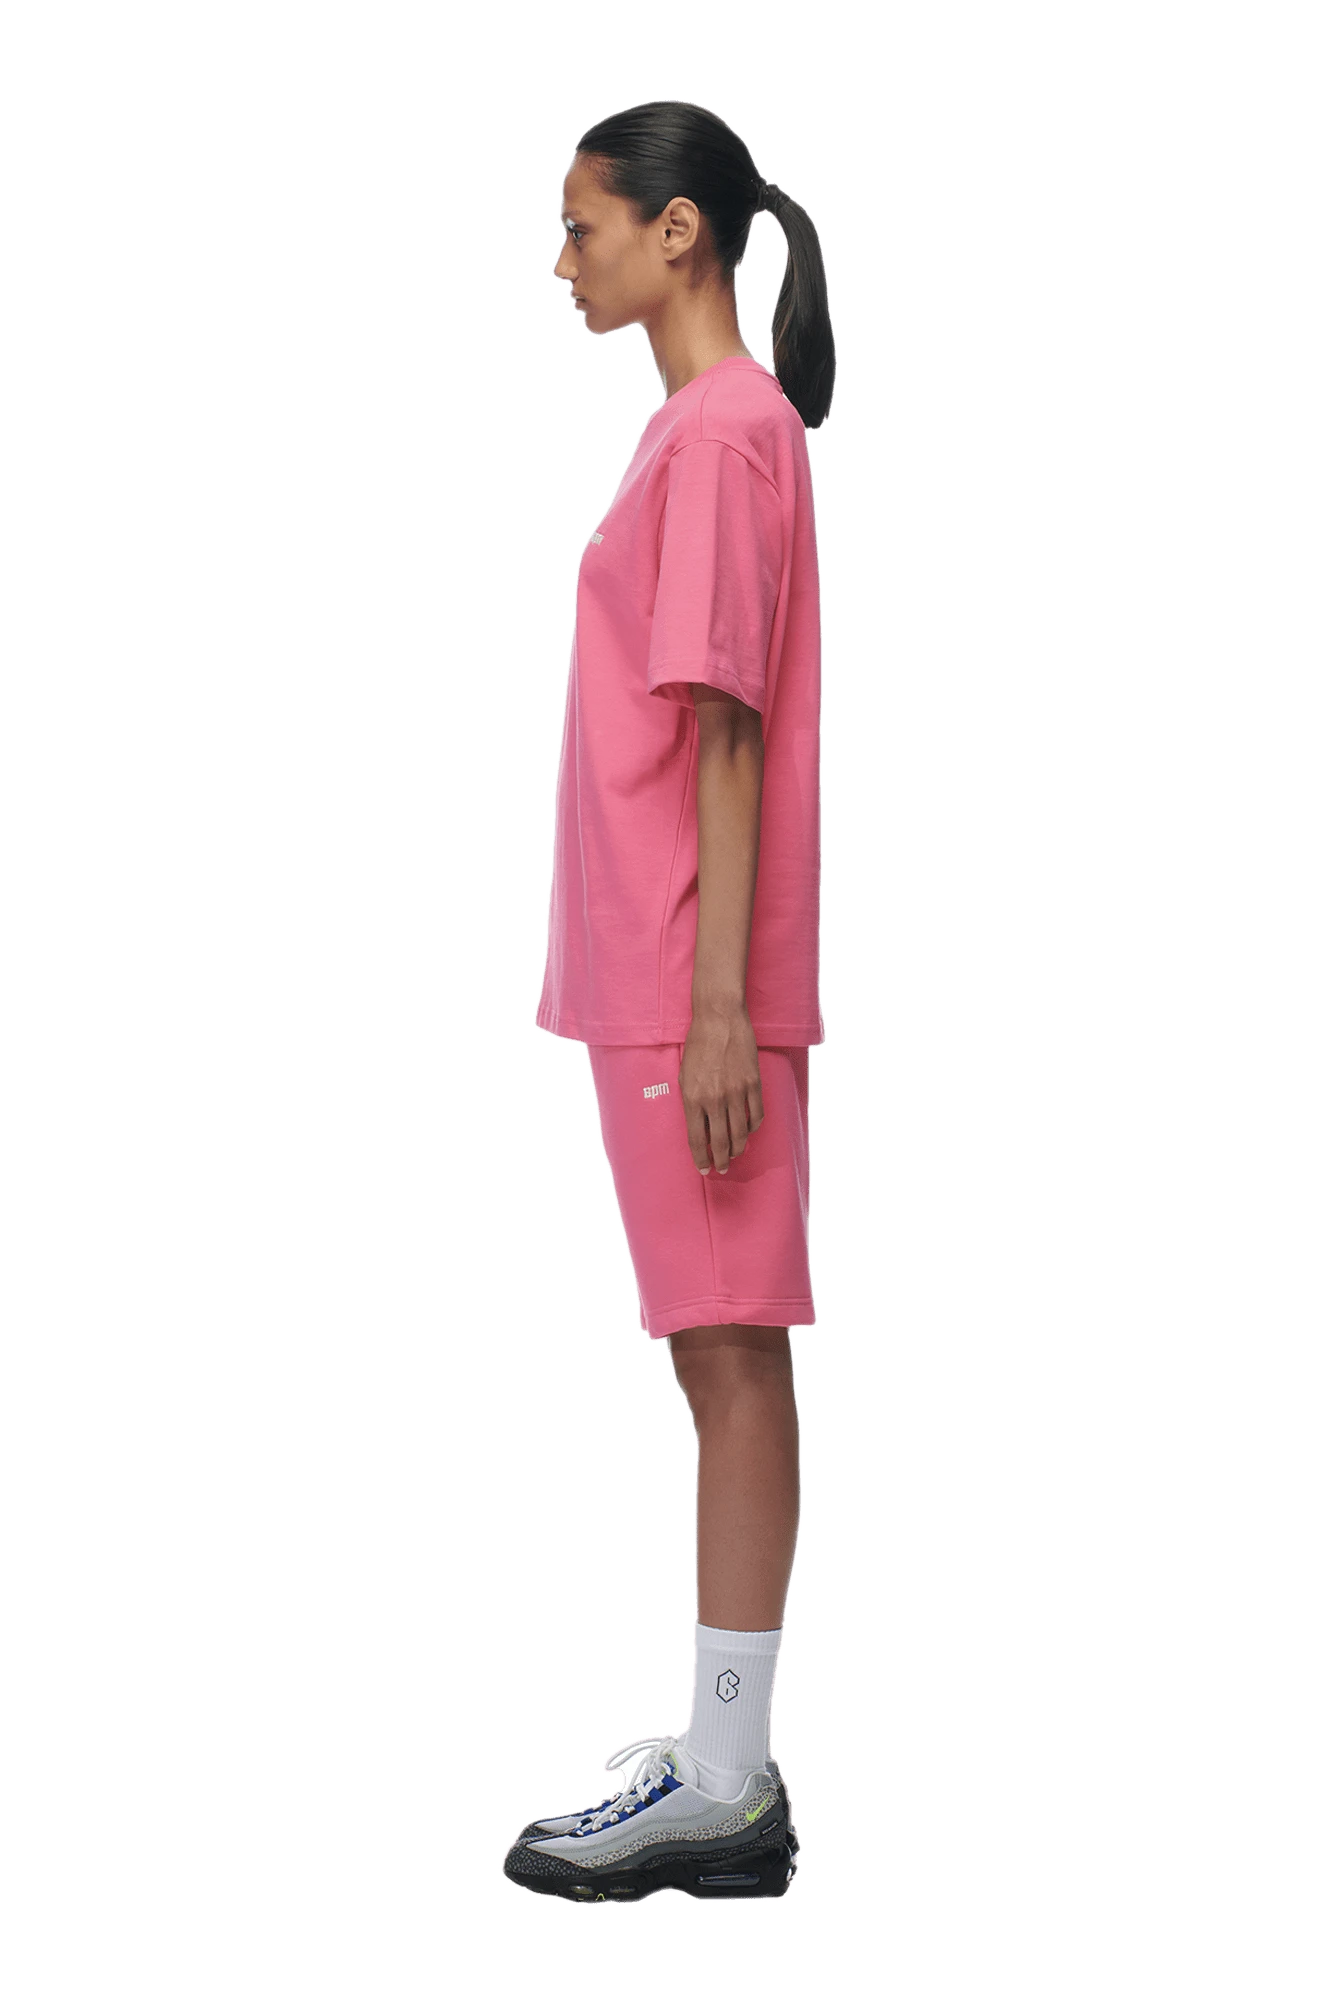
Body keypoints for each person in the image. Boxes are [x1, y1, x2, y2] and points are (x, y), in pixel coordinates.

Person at [509, 101, 836, 1905]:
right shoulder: (713, 428)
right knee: (724, 1356)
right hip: (668, 969)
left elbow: (725, 725)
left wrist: (717, 1007)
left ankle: (726, 1784)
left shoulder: (719, 435)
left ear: (679, 234)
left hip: (685, 978)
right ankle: (722, 1760)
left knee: (726, 1360)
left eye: (585, 228)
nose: (566, 260)